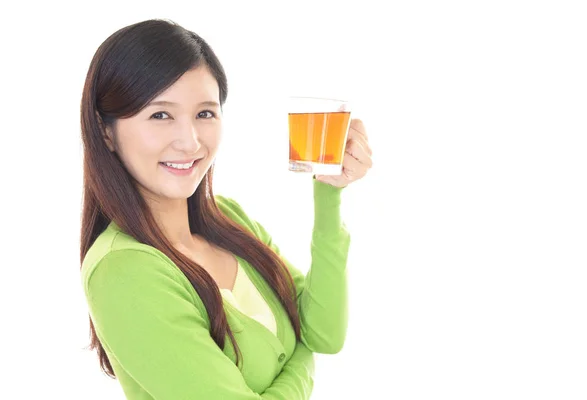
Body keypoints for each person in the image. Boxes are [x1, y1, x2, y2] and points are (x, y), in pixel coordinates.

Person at [79, 18, 372, 400]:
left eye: (204, 113)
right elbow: (310, 347)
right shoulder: (122, 269)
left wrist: (329, 193)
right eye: (160, 115)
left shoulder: (228, 219)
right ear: (107, 132)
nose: (190, 142)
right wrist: (303, 362)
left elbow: (324, 333)